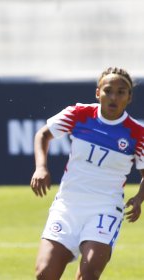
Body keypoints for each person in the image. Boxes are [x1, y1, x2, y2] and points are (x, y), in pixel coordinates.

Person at [30, 67, 144, 280]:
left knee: (89, 274)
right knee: (45, 274)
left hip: (105, 209)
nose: (113, 97)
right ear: (97, 92)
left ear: (129, 98)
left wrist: (139, 198)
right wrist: (41, 167)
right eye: (108, 90)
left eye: (121, 92)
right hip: (68, 205)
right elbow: (43, 135)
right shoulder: (79, 113)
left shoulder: (137, 133)